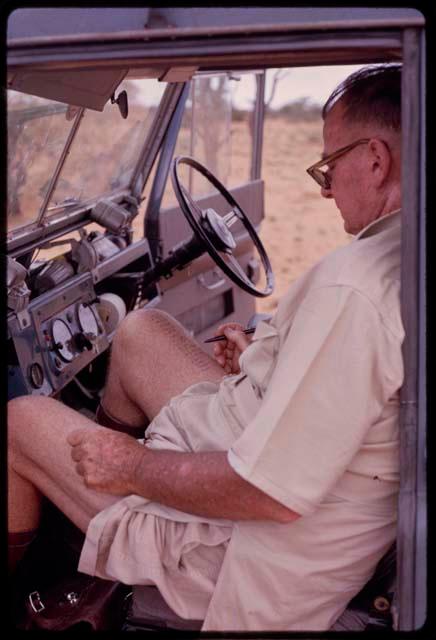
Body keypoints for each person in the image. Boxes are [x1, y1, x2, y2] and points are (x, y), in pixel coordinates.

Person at [8, 63, 404, 631]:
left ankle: (57, 565)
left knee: (20, 421)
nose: (324, 188)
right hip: (270, 457)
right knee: (143, 332)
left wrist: (134, 466)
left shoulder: (356, 287)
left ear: (375, 158)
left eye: (329, 166)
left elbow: (271, 494)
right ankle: (91, 546)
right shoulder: (393, 253)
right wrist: (265, 360)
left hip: (246, 550)